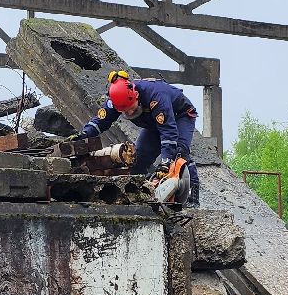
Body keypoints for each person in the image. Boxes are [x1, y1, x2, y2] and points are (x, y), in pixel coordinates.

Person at [71, 70, 201, 204]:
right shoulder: (116, 101)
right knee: (138, 160)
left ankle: (192, 195)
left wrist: (166, 161)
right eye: (124, 111)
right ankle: (140, 196)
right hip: (153, 124)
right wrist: (83, 135)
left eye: (131, 108)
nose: (129, 112)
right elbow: (100, 121)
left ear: (136, 95)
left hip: (180, 116)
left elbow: (168, 132)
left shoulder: (156, 97)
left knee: (178, 152)